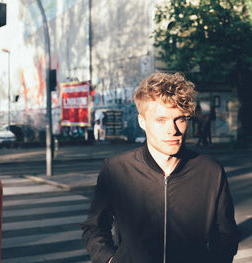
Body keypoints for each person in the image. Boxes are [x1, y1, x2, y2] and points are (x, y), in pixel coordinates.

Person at [81, 72, 240, 263]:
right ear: (142, 121)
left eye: (180, 119)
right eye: (161, 120)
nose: (172, 130)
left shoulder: (210, 171)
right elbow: (94, 226)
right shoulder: (116, 169)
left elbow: (226, 234)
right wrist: (109, 260)